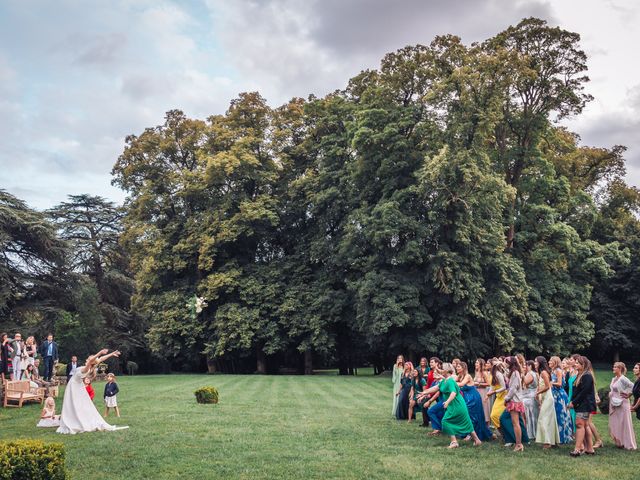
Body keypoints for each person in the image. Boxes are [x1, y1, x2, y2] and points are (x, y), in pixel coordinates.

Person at [57, 348, 127, 434]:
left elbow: (94, 360)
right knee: (77, 404)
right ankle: (75, 418)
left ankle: (75, 420)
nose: (88, 359)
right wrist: (111, 354)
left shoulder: (86, 368)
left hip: (74, 386)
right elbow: (100, 359)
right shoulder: (90, 367)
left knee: (75, 404)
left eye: (90, 358)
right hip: (77, 386)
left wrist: (100, 353)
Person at [421, 363, 482, 448]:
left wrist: (447, 402)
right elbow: (435, 388)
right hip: (453, 405)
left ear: (446, 370)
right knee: (466, 422)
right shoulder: (444, 381)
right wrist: (424, 392)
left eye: (441, 368)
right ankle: (477, 440)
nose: (440, 370)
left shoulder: (450, 381)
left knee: (446, 421)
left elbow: (453, 393)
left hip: (457, 404)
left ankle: (454, 442)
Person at [567, 355, 596, 457]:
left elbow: (584, 392)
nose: (575, 364)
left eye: (578, 363)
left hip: (585, 404)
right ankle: (590, 449)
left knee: (579, 425)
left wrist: (573, 402)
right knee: (585, 425)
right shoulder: (581, 375)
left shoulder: (586, 376)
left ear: (583, 365)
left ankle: (577, 449)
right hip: (581, 404)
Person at [456, 361, 492, 441]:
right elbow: (453, 379)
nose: (456, 368)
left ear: (463, 368)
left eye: (458, 367)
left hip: (473, 397)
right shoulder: (460, 375)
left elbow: (461, 384)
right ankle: (469, 433)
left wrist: (450, 382)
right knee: (468, 415)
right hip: (467, 398)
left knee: (473, 416)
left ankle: (470, 434)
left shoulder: (467, 376)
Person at [608, 362, 637, 450]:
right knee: (616, 422)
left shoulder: (623, 379)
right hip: (614, 402)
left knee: (625, 422)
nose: (613, 368)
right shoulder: (614, 379)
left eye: (616, 367)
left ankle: (629, 444)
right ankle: (619, 441)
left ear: (620, 369)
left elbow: (633, 386)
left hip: (623, 403)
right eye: (613, 366)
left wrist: (628, 394)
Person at [535, 356, 560, 448]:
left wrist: (538, 392)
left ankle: (547, 442)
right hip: (545, 397)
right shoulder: (541, 372)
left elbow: (547, 386)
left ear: (540, 363)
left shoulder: (544, 372)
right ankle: (553, 441)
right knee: (549, 419)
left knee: (543, 419)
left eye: (536, 362)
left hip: (548, 397)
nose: (534, 363)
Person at [503, 356, 525, 451]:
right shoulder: (513, 372)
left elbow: (513, 388)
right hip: (514, 400)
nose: (505, 363)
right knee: (515, 422)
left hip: (514, 400)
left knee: (515, 423)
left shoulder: (515, 373)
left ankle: (519, 444)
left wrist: (506, 398)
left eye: (506, 362)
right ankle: (519, 442)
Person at [549, 356, 573, 444]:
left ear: (555, 362)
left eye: (551, 360)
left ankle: (562, 437)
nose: (549, 362)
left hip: (559, 395)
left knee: (561, 415)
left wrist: (551, 383)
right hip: (554, 394)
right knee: (555, 415)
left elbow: (559, 383)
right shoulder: (552, 371)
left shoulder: (558, 370)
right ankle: (556, 436)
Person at [522, 360, 539, 440]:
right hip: (533, 394)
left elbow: (525, 382)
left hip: (529, 396)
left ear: (530, 366)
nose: (524, 367)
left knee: (529, 415)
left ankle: (530, 433)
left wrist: (522, 375)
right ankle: (535, 432)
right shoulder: (535, 374)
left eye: (526, 365)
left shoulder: (530, 373)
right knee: (533, 415)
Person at [487, 360, 507, 431]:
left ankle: (505, 432)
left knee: (499, 415)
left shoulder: (499, 374)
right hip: (499, 397)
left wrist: (494, 392)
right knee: (493, 415)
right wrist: (487, 395)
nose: (487, 365)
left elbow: (504, 387)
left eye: (489, 364)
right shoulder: (492, 374)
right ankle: (502, 432)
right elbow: (492, 386)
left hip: (504, 396)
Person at [473, 358, 492, 427]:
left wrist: (479, 384)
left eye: (477, 363)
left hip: (483, 392)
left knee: (484, 408)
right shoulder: (476, 372)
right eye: (475, 362)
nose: (475, 364)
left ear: (481, 364)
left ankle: (487, 426)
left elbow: (489, 384)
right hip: (477, 392)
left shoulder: (484, 373)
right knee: (478, 408)